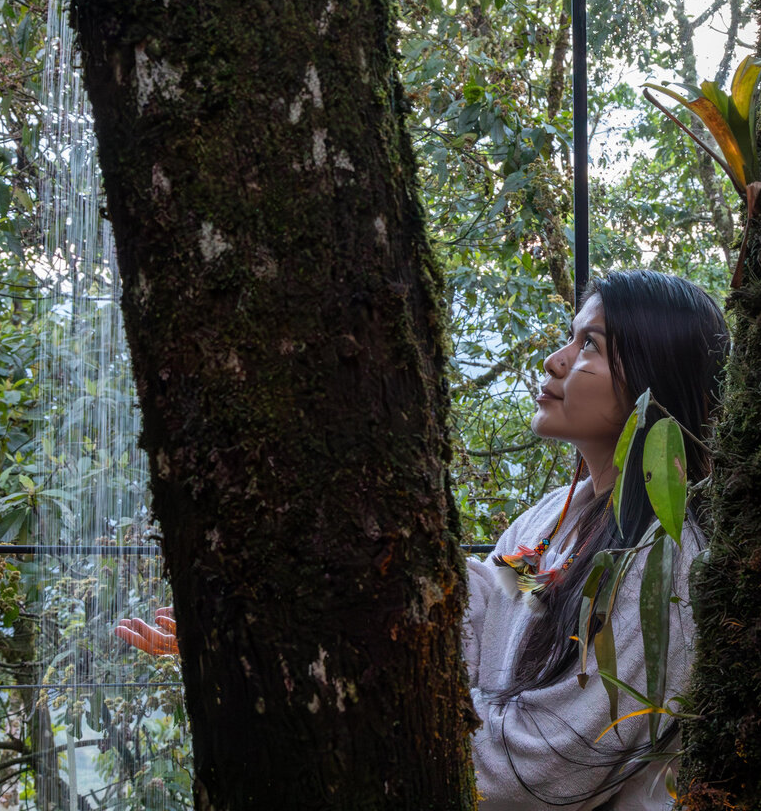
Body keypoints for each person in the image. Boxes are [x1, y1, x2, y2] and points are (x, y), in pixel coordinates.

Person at [117, 270, 728, 810]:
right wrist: (275, 636)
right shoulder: (550, 520)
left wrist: (374, 709)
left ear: (651, 377)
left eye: (588, 344)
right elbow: (478, 612)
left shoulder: (665, 559)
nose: (554, 361)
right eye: (569, 338)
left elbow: (544, 770)